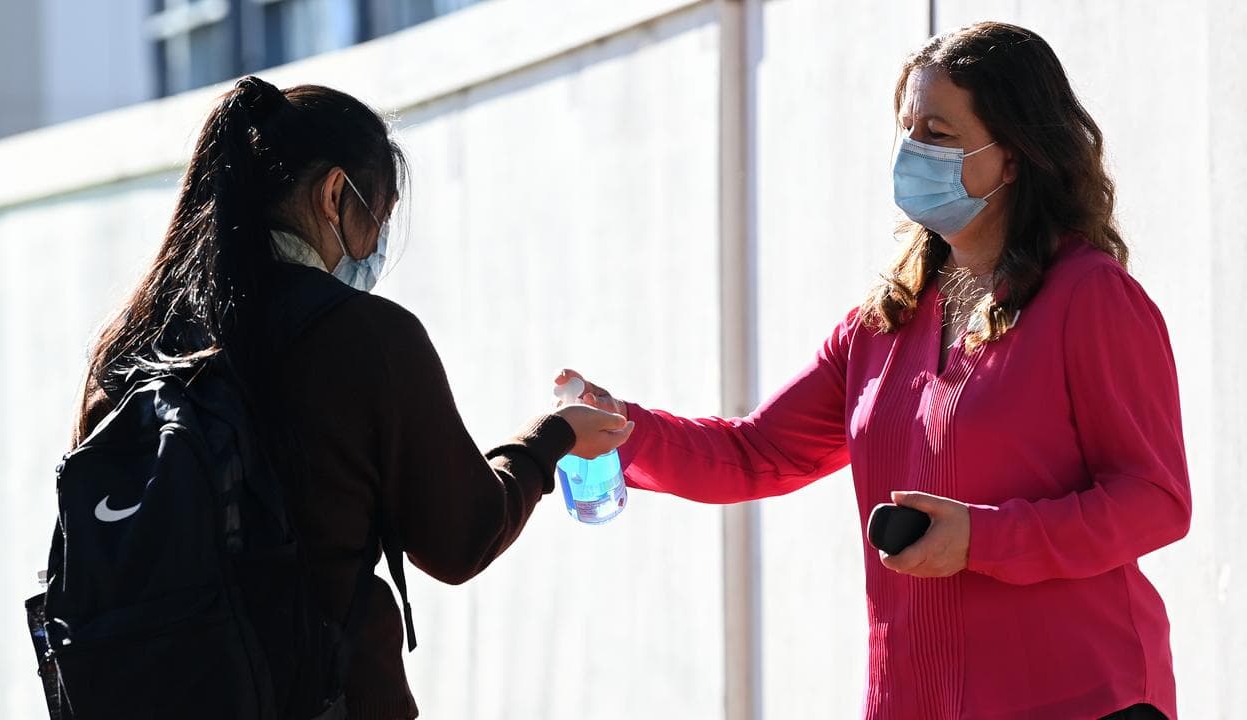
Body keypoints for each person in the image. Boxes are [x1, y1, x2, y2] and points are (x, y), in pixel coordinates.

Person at [559, 22, 1189, 720]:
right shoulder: (884, 322)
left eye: (940, 133)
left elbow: (1154, 500)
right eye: (908, 129)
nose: (914, 151)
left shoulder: (1090, 296)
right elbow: (755, 454)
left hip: (1082, 699)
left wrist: (984, 539)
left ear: (1013, 157)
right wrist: (622, 429)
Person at [71, 76, 633, 719]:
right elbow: (459, 539)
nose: (375, 250)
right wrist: (552, 439)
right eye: (380, 220)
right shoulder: (361, 335)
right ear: (336, 194)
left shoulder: (131, 342)